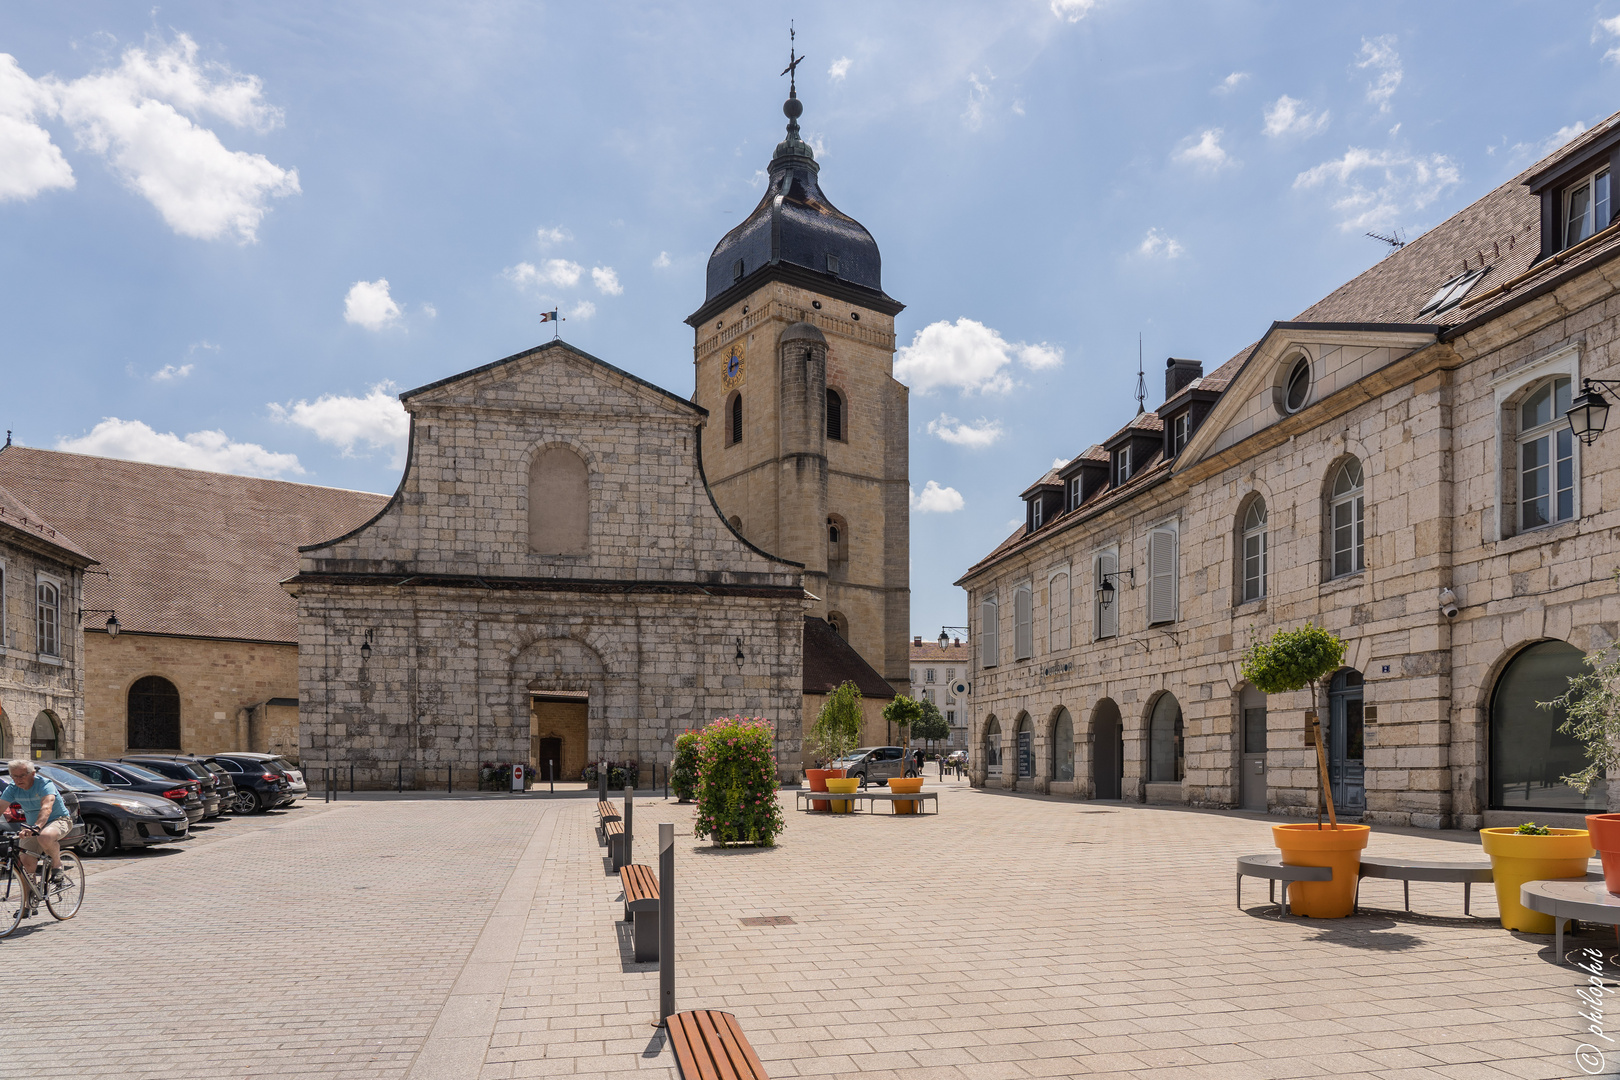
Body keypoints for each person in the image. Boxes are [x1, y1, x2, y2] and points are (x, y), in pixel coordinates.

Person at [3, 760, 70, 914]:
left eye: (22, 776)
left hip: (58, 820)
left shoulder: (44, 784)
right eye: (14, 776)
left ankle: (57, 864)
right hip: (31, 827)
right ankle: (29, 903)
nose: (18, 780)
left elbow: (46, 808)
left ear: (32, 774)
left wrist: (37, 827)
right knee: (26, 863)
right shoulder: (13, 788)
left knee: (45, 837)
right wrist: (33, 828)